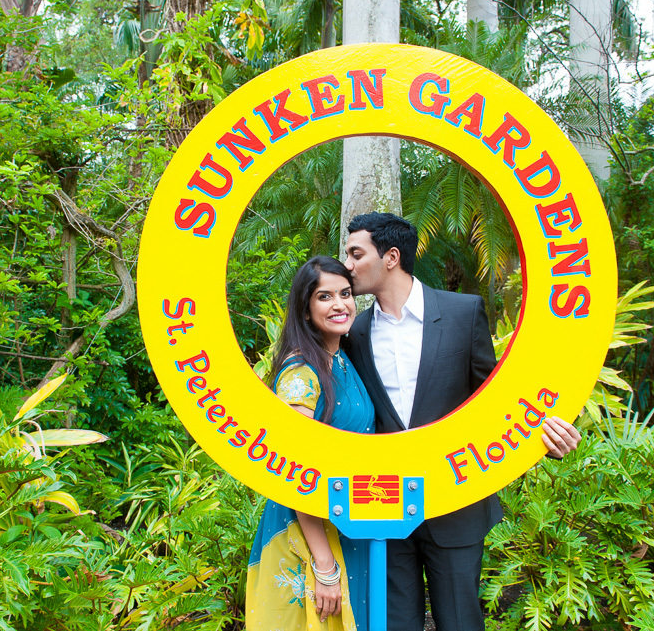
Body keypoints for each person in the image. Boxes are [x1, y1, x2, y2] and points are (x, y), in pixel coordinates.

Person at [342, 212, 581, 631]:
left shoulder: (462, 312)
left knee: (461, 622)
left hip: (456, 502)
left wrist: (546, 431)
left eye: (356, 253)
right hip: (384, 505)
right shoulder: (355, 331)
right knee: (393, 624)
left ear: (391, 257)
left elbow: (496, 398)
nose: (347, 264)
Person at [246, 256, 376, 631]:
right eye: (325, 296)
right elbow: (295, 470)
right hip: (309, 529)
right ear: (305, 309)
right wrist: (324, 565)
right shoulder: (301, 374)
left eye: (345, 294)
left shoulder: (341, 359)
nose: (339, 304)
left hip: (349, 520)